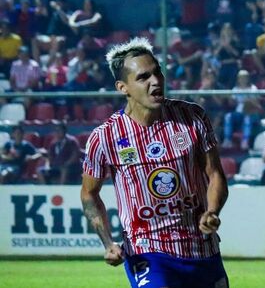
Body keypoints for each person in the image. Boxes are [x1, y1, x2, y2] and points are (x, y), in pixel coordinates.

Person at [80, 37, 229, 288]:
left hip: (202, 249)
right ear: (122, 87)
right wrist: (107, 242)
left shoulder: (192, 117)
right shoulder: (105, 137)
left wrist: (212, 211)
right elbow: (89, 193)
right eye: (143, 77)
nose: (156, 81)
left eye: (158, 73)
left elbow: (215, 174)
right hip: (147, 252)